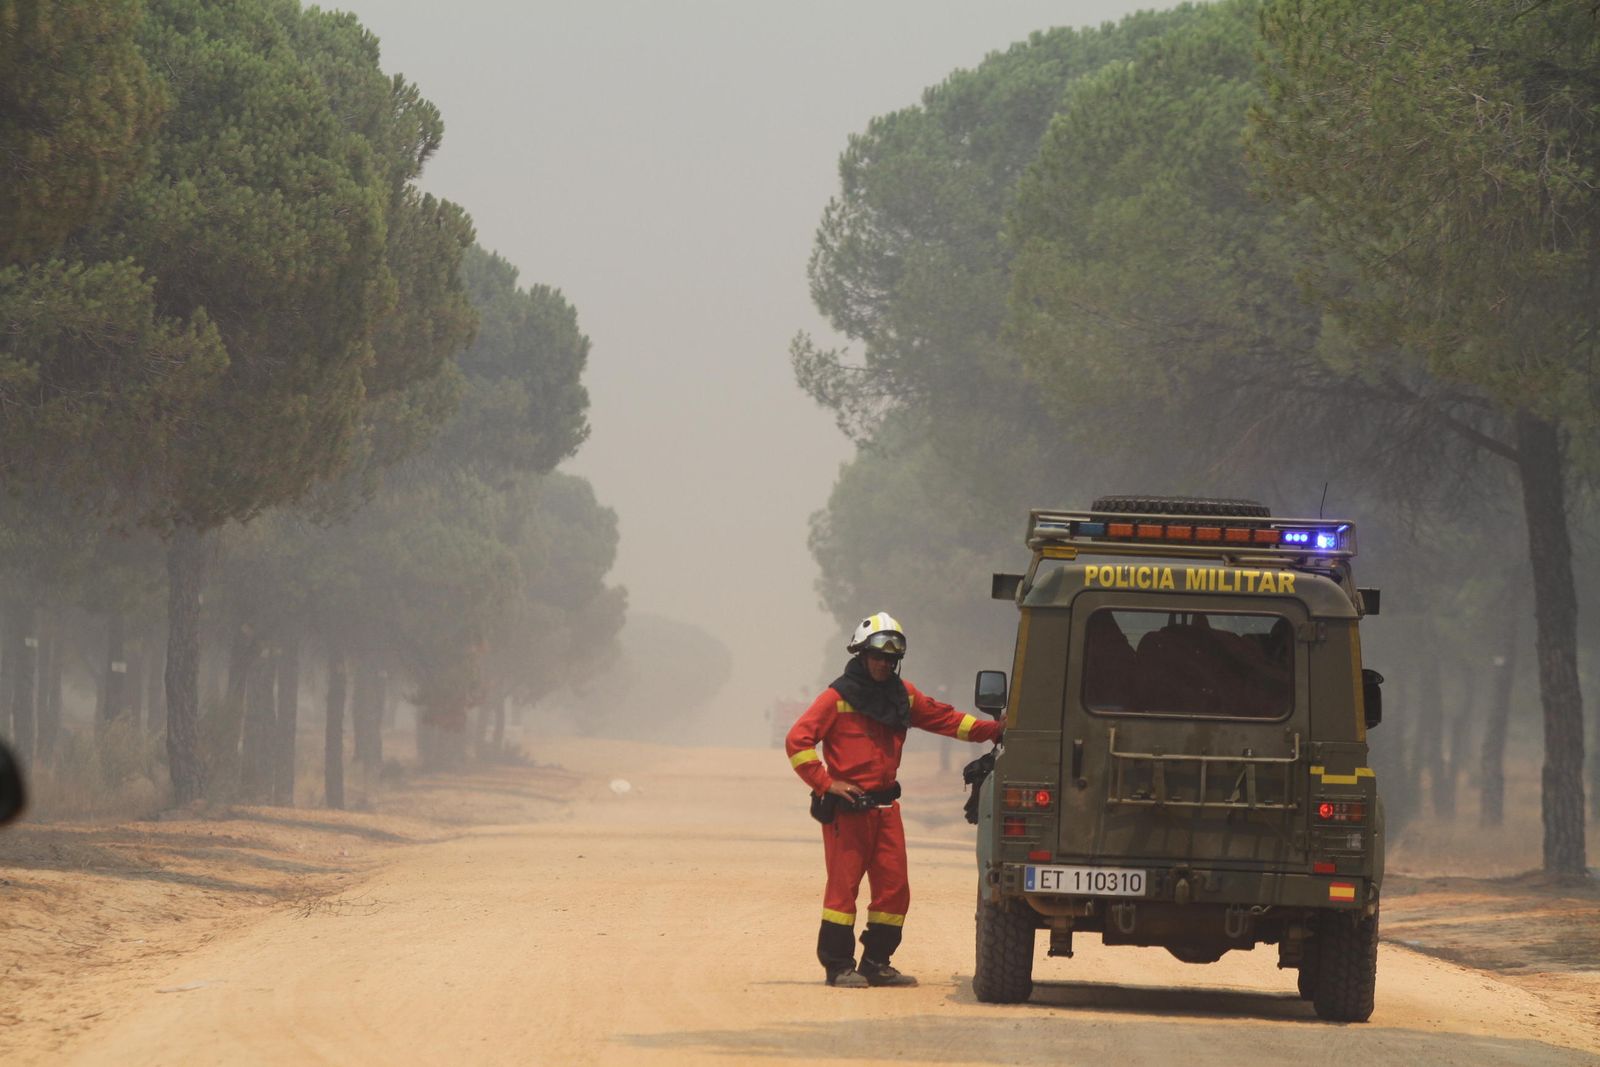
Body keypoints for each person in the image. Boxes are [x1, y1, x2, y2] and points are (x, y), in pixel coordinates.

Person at [786, 611, 1004, 988]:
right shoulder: (836, 698)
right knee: (843, 888)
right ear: (861, 654)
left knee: (894, 888)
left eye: (891, 659)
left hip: (887, 810)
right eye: (878, 656)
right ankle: (839, 967)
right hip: (849, 811)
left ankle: (876, 962)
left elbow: (948, 720)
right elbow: (798, 741)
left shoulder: (903, 696)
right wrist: (826, 783)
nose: (884, 664)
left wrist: (997, 730)